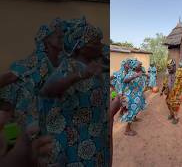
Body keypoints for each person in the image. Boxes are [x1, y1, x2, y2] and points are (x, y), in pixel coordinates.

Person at [39, 18, 110, 166]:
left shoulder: (98, 64)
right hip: (75, 140)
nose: (100, 46)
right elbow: (48, 90)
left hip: (96, 136)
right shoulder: (70, 67)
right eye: (95, 42)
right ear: (81, 46)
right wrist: (80, 76)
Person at [0, 18, 65, 129]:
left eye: (62, 36)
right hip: (29, 120)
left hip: (54, 119)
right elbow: (10, 77)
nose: (61, 39)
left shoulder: (65, 62)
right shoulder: (36, 60)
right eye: (57, 36)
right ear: (46, 40)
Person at [161, 59, 182, 124]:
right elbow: (165, 82)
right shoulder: (167, 73)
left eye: (170, 67)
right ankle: (171, 114)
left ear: (174, 66)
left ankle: (176, 117)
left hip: (177, 93)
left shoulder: (181, 71)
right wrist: (162, 90)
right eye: (168, 68)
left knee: (175, 105)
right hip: (169, 92)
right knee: (168, 103)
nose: (169, 69)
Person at [120, 59, 146, 136]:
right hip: (131, 97)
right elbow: (125, 80)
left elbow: (140, 80)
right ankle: (127, 130)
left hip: (137, 95)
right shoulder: (131, 73)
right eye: (139, 65)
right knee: (131, 111)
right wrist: (135, 76)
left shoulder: (138, 72)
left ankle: (134, 118)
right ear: (134, 66)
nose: (141, 66)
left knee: (136, 109)